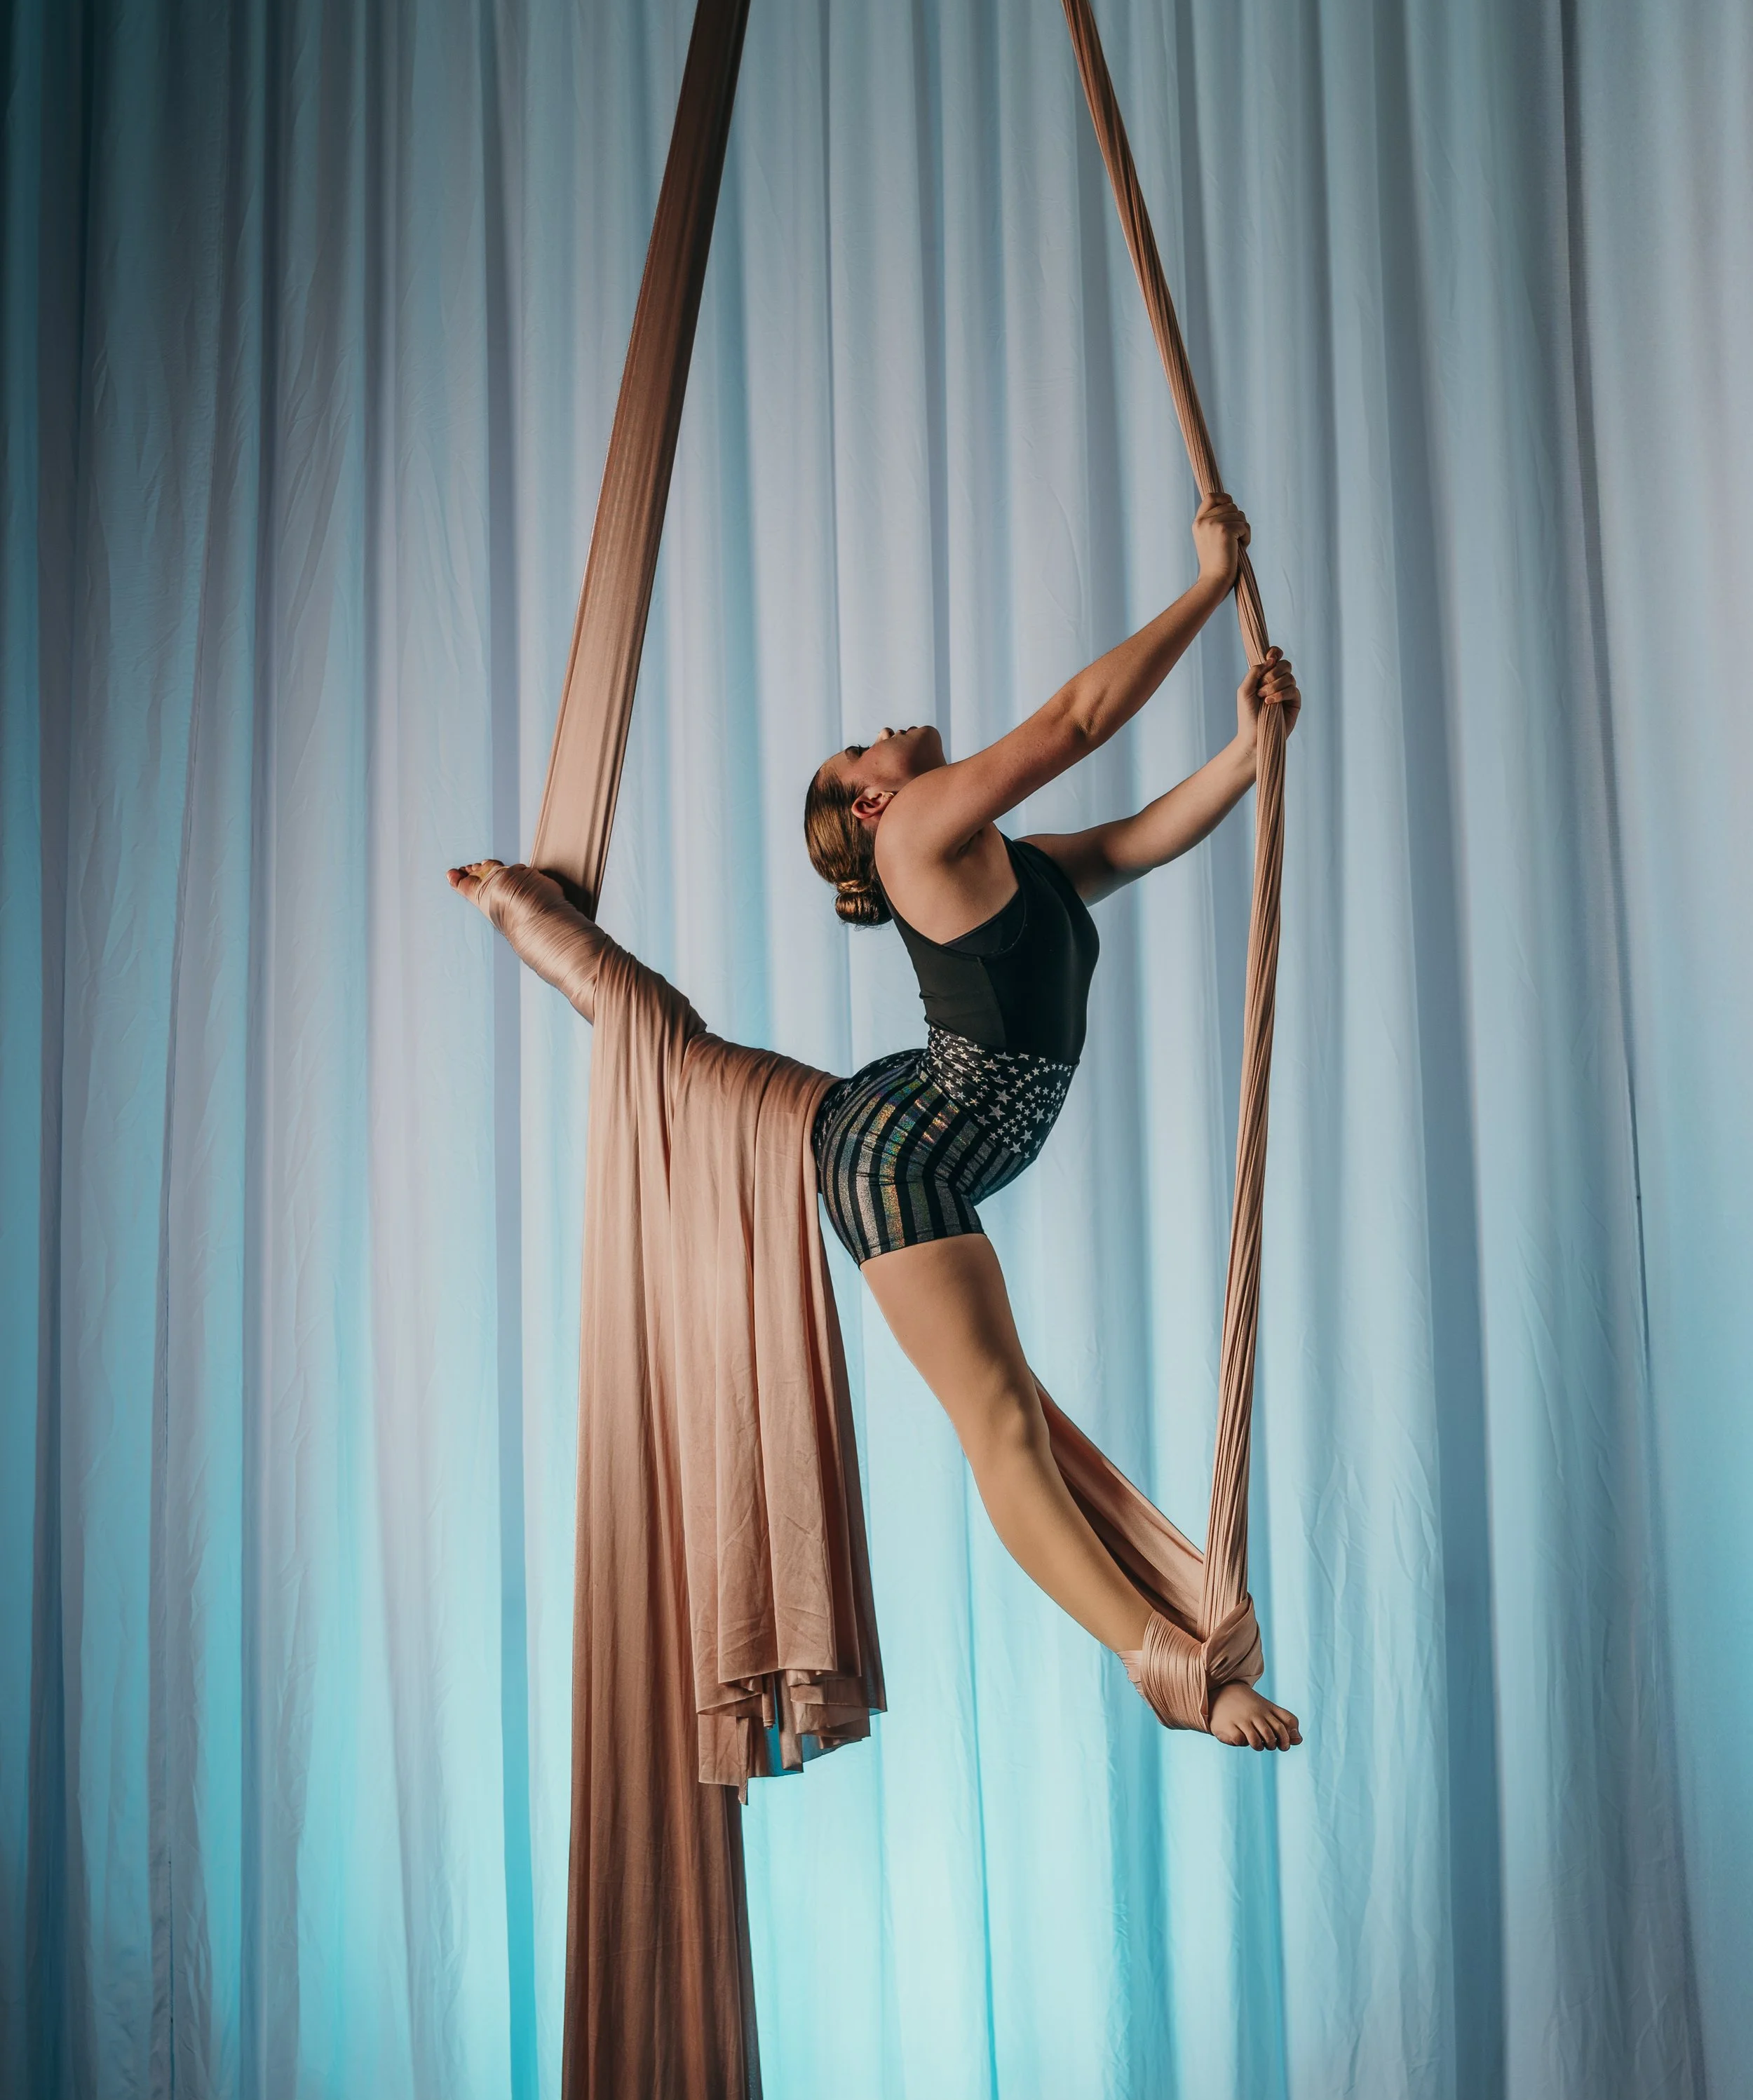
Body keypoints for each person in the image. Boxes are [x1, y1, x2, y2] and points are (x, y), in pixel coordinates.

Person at [453, 492, 1301, 1749]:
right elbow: (1078, 720)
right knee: (1004, 1424)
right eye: (864, 750)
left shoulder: (1017, 864)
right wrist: (1203, 585)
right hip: (899, 1152)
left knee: (1008, 1409)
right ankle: (1160, 1665)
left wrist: (1250, 748)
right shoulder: (916, 837)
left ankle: (1163, 1648)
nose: (886, 734)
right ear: (868, 807)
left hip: (918, 1133)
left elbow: (1140, 833)